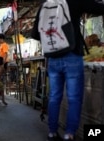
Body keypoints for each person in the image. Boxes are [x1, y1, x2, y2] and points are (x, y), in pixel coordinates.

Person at [31, 0, 104, 141]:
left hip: (52, 58)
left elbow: (35, 34)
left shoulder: (45, 4)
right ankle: (69, 134)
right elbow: (99, 8)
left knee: (54, 97)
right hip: (72, 56)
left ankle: (52, 133)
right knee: (74, 99)